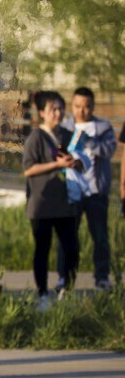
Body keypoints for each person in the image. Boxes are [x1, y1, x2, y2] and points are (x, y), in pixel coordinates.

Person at [22, 91, 84, 302]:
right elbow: (28, 169)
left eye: (60, 108)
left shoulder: (67, 135)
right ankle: (42, 294)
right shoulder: (36, 137)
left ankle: (66, 289)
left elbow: (81, 163)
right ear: (42, 113)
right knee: (43, 250)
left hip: (65, 203)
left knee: (71, 248)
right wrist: (57, 165)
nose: (58, 113)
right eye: (53, 109)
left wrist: (76, 163)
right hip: (41, 204)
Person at [60, 87, 117, 290]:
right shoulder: (65, 127)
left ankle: (102, 278)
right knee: (68, 237)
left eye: (86, 107)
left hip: (95, 192)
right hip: (72, 192)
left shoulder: (103, 127)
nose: (81, 111)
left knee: (100, 237)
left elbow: (110, 149)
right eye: (77, 106)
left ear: (92, 106)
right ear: (72, 105)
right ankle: (65, 279)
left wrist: (90, 142)